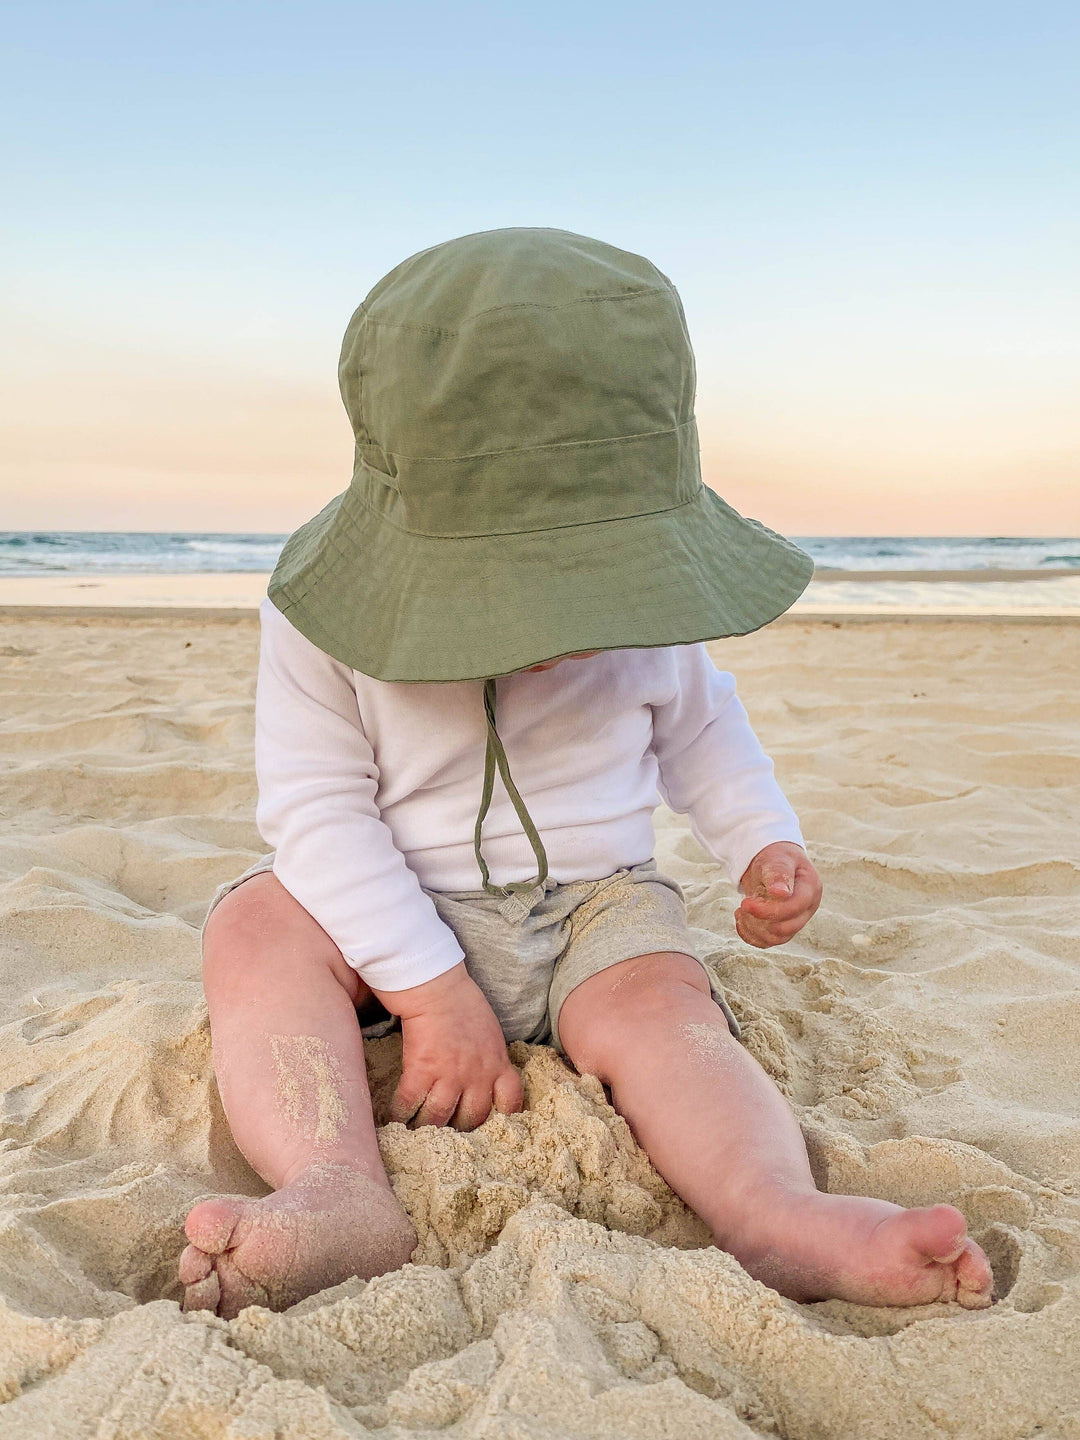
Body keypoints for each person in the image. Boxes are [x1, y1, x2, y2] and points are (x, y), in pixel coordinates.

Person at [180, 228, 994, 1319]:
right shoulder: (319, 618)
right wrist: (430, 994)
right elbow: (317, 813)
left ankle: (773, 1211)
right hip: (383, 916)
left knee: (667, 1010)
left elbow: (706, 730)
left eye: (584, 577)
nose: (559, 626)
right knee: (253, 929)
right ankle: (335, 1187)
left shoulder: (655, 621)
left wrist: (762, 841)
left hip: (594, 909)